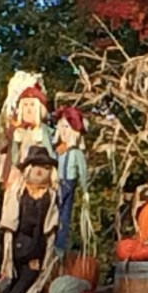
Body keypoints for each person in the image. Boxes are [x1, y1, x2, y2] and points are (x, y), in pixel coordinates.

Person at [0, 146, 59, 293]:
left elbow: (51, 224)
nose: (39, 172)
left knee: (30, 275)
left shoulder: (50, 196)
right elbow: (10, 219)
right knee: (13, 276)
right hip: (18, 242)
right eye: (36, 166)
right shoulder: (18, 192)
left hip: (37, 245)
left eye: (45, 168)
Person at [0, 75, 56, 190]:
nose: (29, 109)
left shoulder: (42, 130)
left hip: (38, 171)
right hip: (20, 171)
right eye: (25, 105)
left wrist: (54, 166)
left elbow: (49, 150)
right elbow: (14, 152)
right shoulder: (16, 130)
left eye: (32, 105)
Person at [53, 106, 88, 255]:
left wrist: (85, 189)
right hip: (57, 183)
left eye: (67, 127)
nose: (65, 131)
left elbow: (83, 171)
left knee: (65, 215)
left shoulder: (76, 153)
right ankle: (51, 242)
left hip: (68, 183)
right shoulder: (58, 150)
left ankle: (60, 245)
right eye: (62, 127)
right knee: (54, 212)